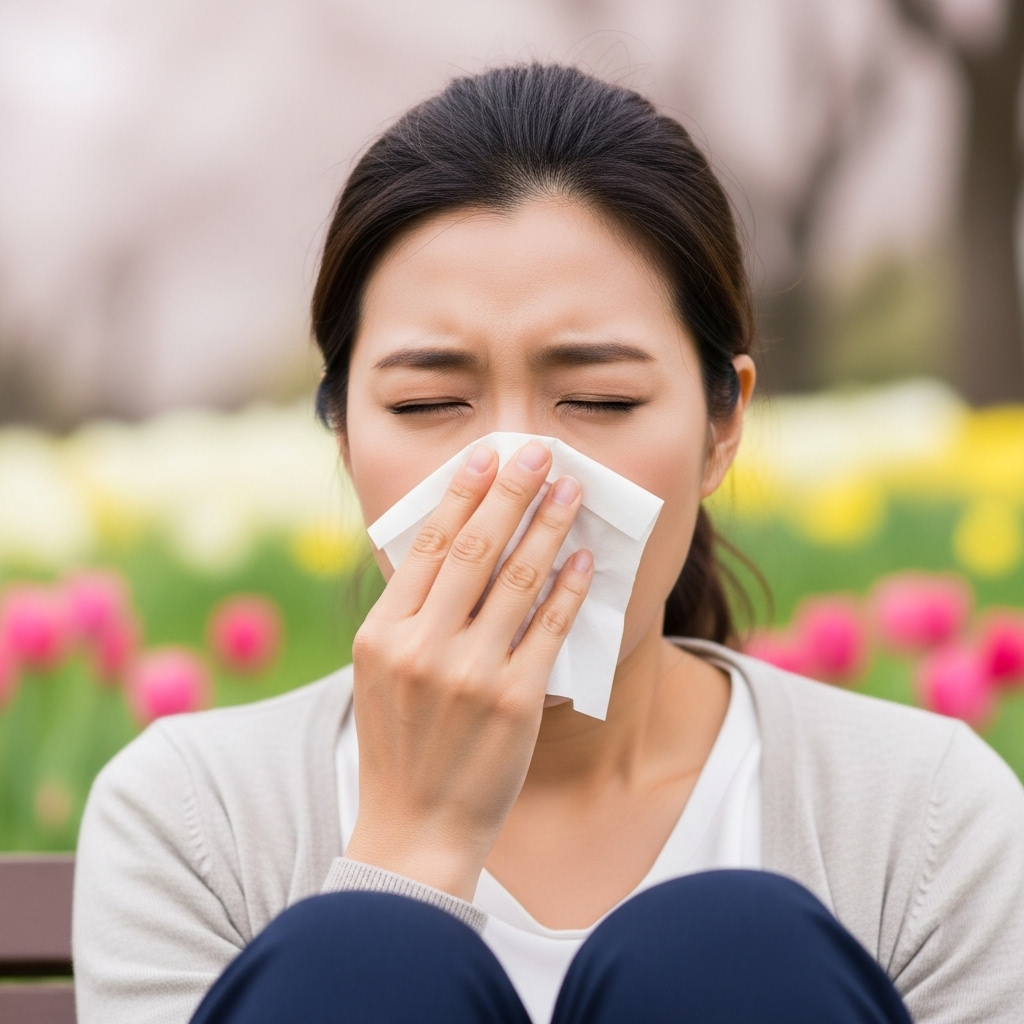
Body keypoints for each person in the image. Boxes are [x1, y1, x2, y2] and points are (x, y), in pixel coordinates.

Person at [72, 64, 1024, 1024]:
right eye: (428, 404)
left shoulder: (921, 816)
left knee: (730, 955)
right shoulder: (195, 816)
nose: (521, 476)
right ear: (345, 436)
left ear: (721, 425)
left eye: (603, 400)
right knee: (351, 956)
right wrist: (413, 852)